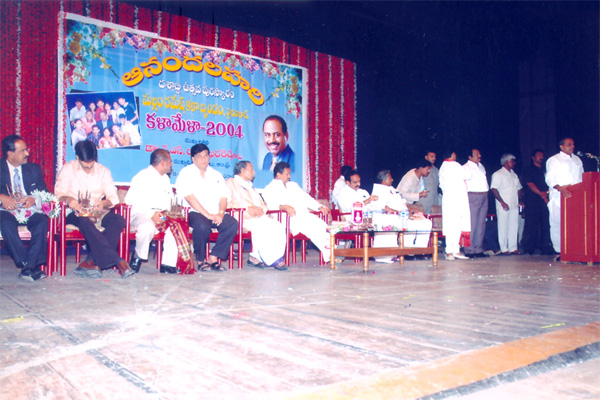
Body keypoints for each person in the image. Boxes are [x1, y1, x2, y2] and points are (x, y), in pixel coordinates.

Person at [54, 140, 133, 278]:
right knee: (84, 221)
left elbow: (113, 198)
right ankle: (118, 261)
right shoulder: (68, 168)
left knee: (118, 220)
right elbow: (59, 194)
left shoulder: (103, 171)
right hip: (74, 212)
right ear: (77, 157)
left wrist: (104, 203)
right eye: (85, 165)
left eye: (91, 163)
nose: (89, 167)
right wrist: (69, 199)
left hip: (97, 211)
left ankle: (89, 262)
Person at [175, 144, 238, 271]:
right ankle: (200, 260)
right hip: (194, 212)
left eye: (206, 156)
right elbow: (190, 198)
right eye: (199, 156)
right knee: (202, 225)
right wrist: (208, 215)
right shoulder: (186, 173)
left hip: (214, 213)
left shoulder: (216, 175)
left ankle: (213, 257)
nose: (203, 159)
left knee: (231, 223)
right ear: (193, 159)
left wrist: (221, 214)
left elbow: (223, 197)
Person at [0, 135, 49, 281]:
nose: (27, 153)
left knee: (42, 221)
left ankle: (29, 266)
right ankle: (30, 265)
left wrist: (34, 199)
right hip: (6, 210)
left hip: (30, 210)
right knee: (5, 222)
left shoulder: (34, 169)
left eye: (26, 149)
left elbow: (45, 194)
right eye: (22, 151)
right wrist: (1, 197)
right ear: (10, 153)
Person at [262, 161, 331, 263]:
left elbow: (307, 198)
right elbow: (271, 206)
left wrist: (319, 206)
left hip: (302, 215)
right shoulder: (269, 189)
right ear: (278, 174)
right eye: (287, 174)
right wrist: (284, 206)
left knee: (320, 225)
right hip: (284, 218)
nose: (289, 176)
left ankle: (333, 250)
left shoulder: (293, 185)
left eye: (289, 174)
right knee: (310, 227)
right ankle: (331, 252)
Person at [226, 161, 287, 270]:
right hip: (241, 217)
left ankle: (257, 257)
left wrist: (261, 210)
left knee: (278, 225)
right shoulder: (231, 182)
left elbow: (263, 204)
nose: (254, 172)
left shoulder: (250, 186)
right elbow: (226, 203)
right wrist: (248, 209)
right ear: (243, 170)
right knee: (262, 226)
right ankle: (272, 259)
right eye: (251, 170)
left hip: (257, 217)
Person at [125, 149, 179, 274]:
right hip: (141, 214)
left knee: (175, 226)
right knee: (147, 227)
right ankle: (137, 257)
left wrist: (168, 213)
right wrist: (151, 214)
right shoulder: (142, 177)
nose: (171, 164)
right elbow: (130, 201)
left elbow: (170, 201)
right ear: (162, 163)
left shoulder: (165, 179)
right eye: (170, 161)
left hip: (161, 215)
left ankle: (168, 264)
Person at [370, 169, 433, 262]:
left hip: (403, 215)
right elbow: (385, 209)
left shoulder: (393, 190)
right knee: (410, 225)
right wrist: (404, 214)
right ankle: (408, 252)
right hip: (393, 217)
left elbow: (403, 203)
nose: (392, 180)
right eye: (390, 178)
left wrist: (411, 210)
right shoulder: (378, 192)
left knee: (426, 223)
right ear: (384, 180)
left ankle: (420, 251)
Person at [545, 137, 584, 258]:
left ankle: (574, 250)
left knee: (575, 224)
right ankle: (559, 251)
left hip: (575, 196)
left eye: (573, 144)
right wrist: (560, 188)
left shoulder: (577, 159)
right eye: (569, 144)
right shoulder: (554, 160)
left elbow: (582, 177)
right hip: (559, 196)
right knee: (557, 224)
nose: (572, 146)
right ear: (561, 146)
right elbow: (550, 178)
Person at [438, 150, 471, 260]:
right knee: (454, 224)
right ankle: (450, 251)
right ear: (452, 154)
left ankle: (454, 250)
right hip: (456, 198)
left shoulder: (443, 166)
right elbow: (468, 175)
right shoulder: (455, 165)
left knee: (453, 224)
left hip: (450, 198)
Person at [521, 149, 553, 255]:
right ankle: (528, 248)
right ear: (533, 157)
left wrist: (546, 194)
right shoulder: (529, 170)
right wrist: (541, 194)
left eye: (542, 155)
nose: (541, 157)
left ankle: (545, 247)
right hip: (533, 201)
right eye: (538, 155)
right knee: (531, 225)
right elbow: (530, 184)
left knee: (545, 224)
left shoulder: (544, 170)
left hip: (544, 201)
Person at [491, 154, 523, 254]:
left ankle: (513, 247)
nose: (514, 163)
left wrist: (520, 200)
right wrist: (502, 202)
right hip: (503, 205)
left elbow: (518, 188)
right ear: (506, 162)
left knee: (514, 226)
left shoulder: (514, 174)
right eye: (512, 161)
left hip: (514, 204)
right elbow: (494, 189)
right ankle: (504, 248)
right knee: (503, 226)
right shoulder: (498, 174)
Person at [462, 148, 489, 258]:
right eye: (476, 154)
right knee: (472, 223)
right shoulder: (466, 167)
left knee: (481, 223)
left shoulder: (481, 166)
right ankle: (469, 250)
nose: (479, 155)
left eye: (479, 153)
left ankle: (478, 249)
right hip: (473, 195)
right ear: (470, 157)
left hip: (484, 195)